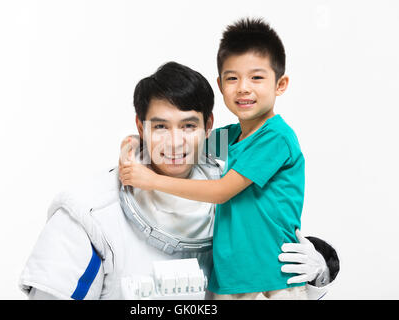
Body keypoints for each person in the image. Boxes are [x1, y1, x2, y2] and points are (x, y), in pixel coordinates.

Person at [19, 61, 339, 300]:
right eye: (160, 127)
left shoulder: (237, 187)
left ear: (208, 125)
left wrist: (316, 274)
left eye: (188, 126)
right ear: (140, 125)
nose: (175, 144)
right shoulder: (90, 215)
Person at [120, 18, 323, 299]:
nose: (243, 88)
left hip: (272, 277)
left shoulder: (276, 138)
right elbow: (187, 144)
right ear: (220, 84)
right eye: (232, 78)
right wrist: (134, 142)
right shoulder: (233, 136)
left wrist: (151, 180)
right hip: (231, 275)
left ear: (281, 84)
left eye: (256, 77)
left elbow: (220, 192)